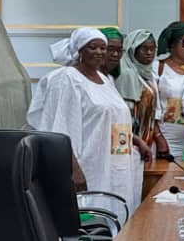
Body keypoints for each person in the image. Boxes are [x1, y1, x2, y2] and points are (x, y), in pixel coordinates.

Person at [27, 28, 142, 213]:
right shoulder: (67, 78)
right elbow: (59, 129)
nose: (99, 52)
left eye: (103, 48)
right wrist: (72, 169)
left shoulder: (105, 79)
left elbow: (111, 119)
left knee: (116, 212)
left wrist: (136, 141)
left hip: (114, 163)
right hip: (88, 165)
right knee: (92, 214)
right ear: (79, 50)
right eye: (92, 47)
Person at [153, 22, 184, 160]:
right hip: (165, 142)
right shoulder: (158, 68)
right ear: (173, 43)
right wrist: (158, 137)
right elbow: (149, 109)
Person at [114, 29, 159, 147]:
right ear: (133, 50)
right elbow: (125, 113)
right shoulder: (127, 73)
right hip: (130, 140)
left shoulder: (150, 74)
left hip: (146, 138)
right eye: (144, 49)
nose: (149, 53)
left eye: (153, 49)